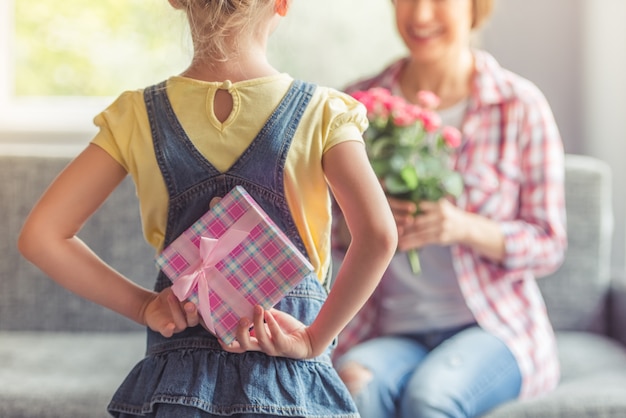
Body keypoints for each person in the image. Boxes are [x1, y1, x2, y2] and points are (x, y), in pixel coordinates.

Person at [17, 0, 398, 417]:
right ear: (283, 4)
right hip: (289, 384)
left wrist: (144, 306)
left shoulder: (135, 117)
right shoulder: (323, 113)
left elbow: (41, 236)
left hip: (176, 385)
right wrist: (313, 339)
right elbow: (378, 236)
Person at [331, 0, 567, 417]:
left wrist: (461, 227)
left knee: (431, 396)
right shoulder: (354, 108)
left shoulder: (520, 106)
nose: (420, 16)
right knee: (354, 384)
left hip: (492, 329)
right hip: (389, 329)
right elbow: (323, 234)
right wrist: (366, 226)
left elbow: (549, 244)